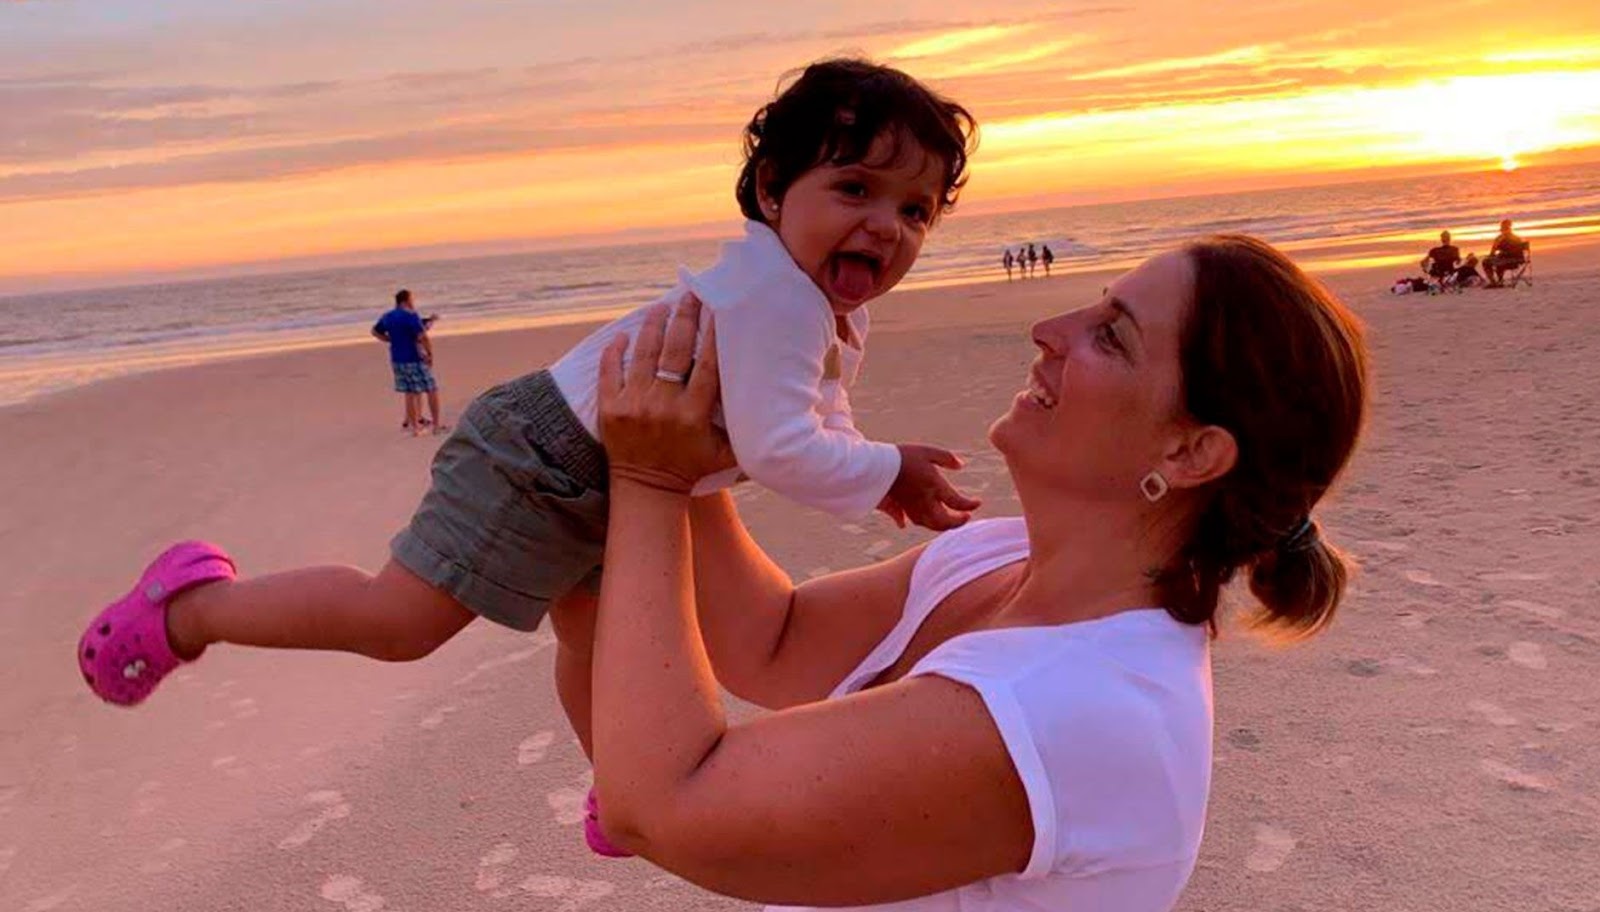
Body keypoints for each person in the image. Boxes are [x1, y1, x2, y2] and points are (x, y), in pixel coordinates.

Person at [76, 58, 981, 849]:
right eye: (854, 188)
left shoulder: (816, 304)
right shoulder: (778, 298)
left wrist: (866, 462)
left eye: (915, 210)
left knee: (600, 639)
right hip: (543, 455)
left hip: (616, 474)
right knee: (400, 620)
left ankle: (620, 786)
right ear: (774, 188)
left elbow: (816, 410)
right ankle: (191, 606)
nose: (886, 226)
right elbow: (781, 449)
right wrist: (883, 469)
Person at [579, 233, 1370, 910]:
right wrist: (697, 437)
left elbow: (661, 807)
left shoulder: (1080, 704)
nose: (1047, 330)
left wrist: (650, 479)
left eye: (1111, 336)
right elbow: (773, 643)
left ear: (1191, 452)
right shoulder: (997, 557)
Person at [372, 289, 445, 434]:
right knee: (431, 389)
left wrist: (390, 340)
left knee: (410, 392)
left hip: (397, 359)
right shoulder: (411, 315)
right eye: (412, 300)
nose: (413, 302)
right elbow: (422, 337)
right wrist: (430, 354)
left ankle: (415, 428)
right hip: (414, 358)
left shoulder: (387, 316)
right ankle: (436, 426)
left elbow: (375, 332)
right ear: (406, 301)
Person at [1482, 219, 1528, 287]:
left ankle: (1494, 282)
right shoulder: (1516, 238)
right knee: (1496, 262)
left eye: (1502, 228)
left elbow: (1493, 251)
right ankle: (1498, 281)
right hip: (1517, 260)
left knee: (1486, 262)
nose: (1501, 230)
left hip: (1509, 260)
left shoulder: (1502, 238)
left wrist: (1492, 254)